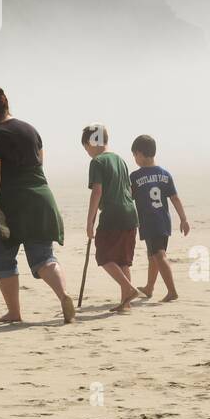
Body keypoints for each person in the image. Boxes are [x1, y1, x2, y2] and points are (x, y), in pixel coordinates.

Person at [0, 87, 75, 324]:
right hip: (41, 200)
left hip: (9, 208)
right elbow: (39, 163)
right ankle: (63, 296)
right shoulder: (31, 130)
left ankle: (14, 312)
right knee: (44, 257)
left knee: (4, 260)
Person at [81, 124, 140, 313]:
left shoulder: (98, 162)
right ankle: (126, 303)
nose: (88, 152)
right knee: (122, 260)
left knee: (104, 256)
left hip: (112, 214)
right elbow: (129, 189)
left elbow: (97, 191)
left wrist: (90, 221)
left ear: (92, 142)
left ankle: (129, 290)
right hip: (130, 213)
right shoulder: (120, 160)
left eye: (86, 147)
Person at [128, 134, 190, 301]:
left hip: (150, 221)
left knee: (159, 255)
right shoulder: (165, 174)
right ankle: (149, 288)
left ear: (140, 154)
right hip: (163, 221)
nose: (134, 159)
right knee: (153, 255)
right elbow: (175, 198)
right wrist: (183, 219)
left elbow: (128, 197)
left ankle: (172, 291)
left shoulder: (135, 177)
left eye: (134, 155)